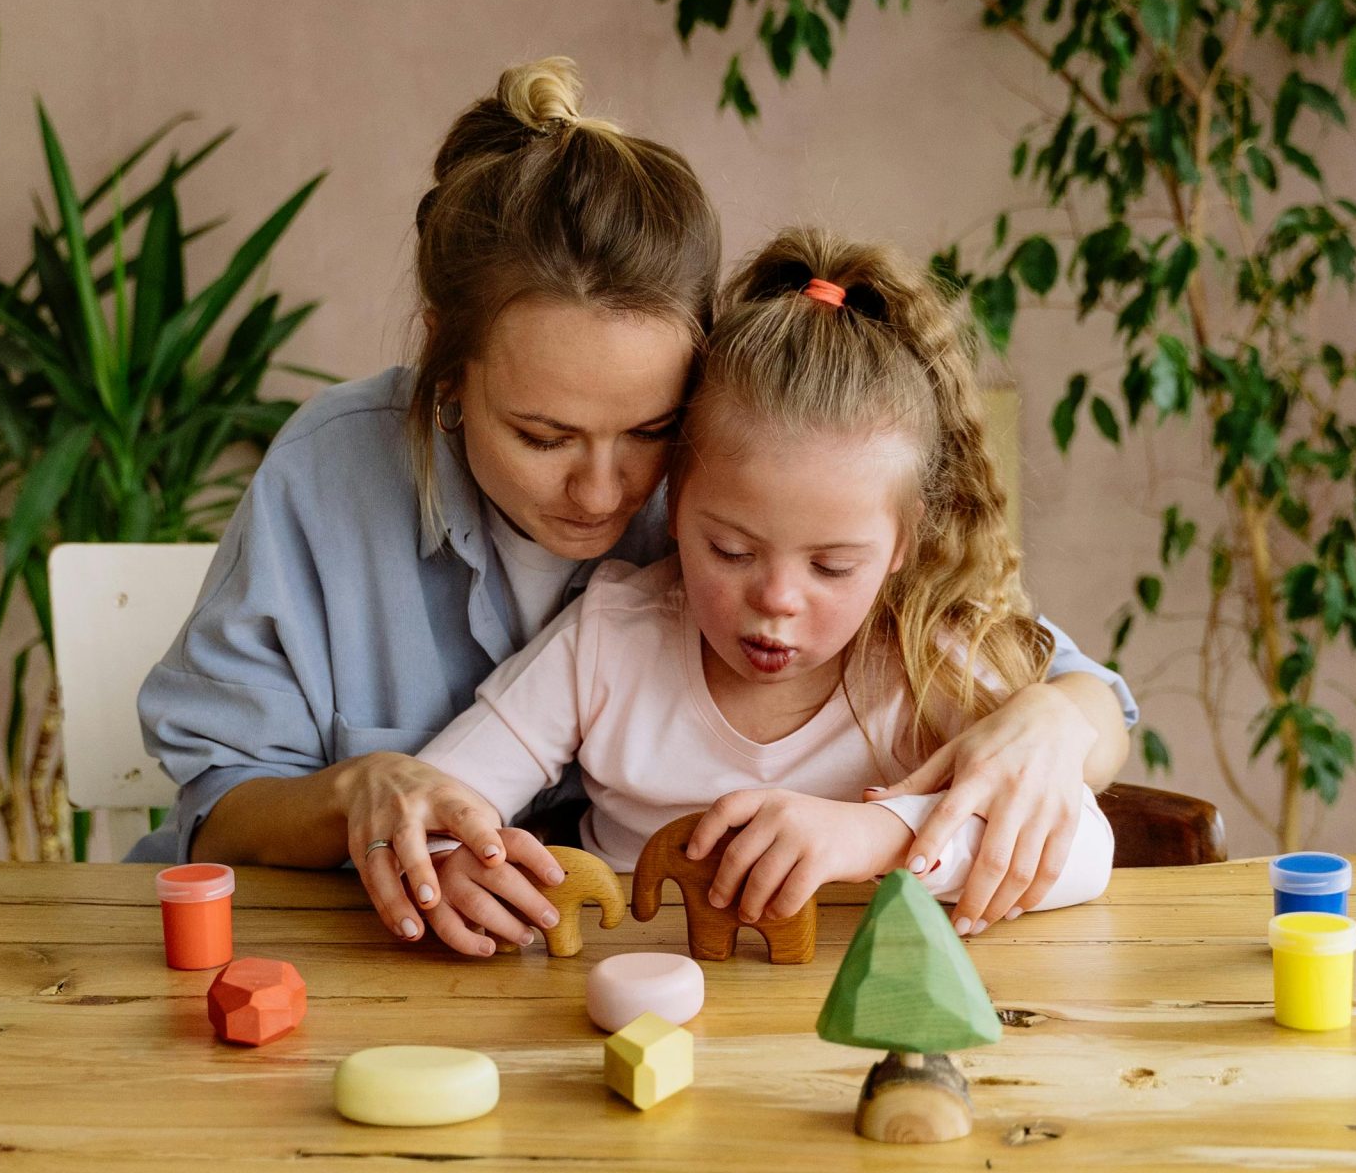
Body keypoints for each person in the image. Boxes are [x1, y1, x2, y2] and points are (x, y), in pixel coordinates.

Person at [138, 60, 1134, 943]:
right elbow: (222, 807)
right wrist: (370, 801)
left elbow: (1066, 691)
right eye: (542, 435)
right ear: (447, 362)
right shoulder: (335, 477)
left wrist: (1049, 722)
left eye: (649, 431)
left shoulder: (747, 464)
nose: (603, 489)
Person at [406, 230, 1115, 956]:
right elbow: (433, 800)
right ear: (674, 502)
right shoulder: (609, 639)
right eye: (732, 550)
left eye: (832, 566)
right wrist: (453, 861)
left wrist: (874, 834)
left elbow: (1086, 850)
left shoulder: (923, 657)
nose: (776, 598)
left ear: (903, 543)